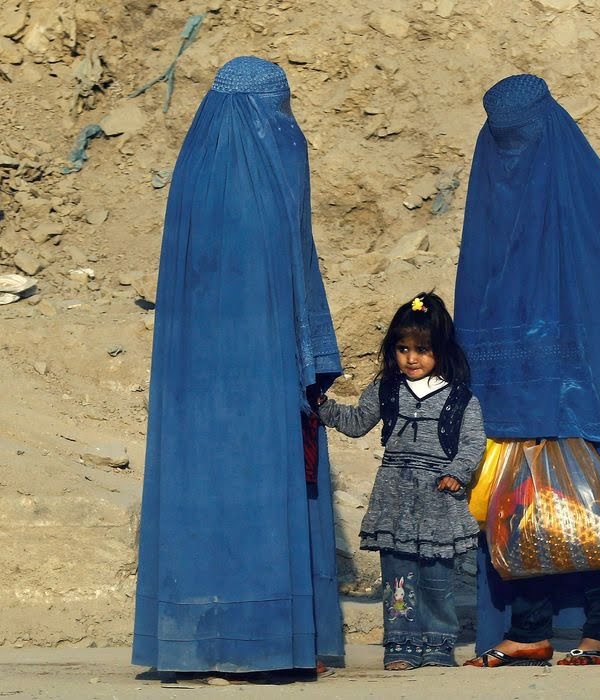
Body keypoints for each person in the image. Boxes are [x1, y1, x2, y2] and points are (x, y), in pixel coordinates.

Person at [132, 56, 345, 675]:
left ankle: (195, 641)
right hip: (264, 375)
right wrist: (313, 360)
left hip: (193, 387)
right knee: (263, 481)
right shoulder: (273, 173)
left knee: (204, 488)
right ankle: (270, 640)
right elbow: (297, 276)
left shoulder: (195, 171)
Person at [454, 73, 600, 668]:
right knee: (520, 503)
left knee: (590, 498)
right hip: (514, 375)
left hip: (584, 381)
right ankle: (528, 629)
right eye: (501, 138)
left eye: (519, 136)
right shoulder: (492, 182)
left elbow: (597, 293)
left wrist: (561, 365)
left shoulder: (586, 195)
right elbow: (480, 284)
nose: (510, 149)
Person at [316, 291, 485, 670]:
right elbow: (357, 422)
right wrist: (323, 408)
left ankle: (439, 644)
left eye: (422, 349)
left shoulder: (461, 399)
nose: (412, 358)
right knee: (398, 577)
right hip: (395, 496)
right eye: (403, 348)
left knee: (438, 578)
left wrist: (457, 474)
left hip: (438, 499)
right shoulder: (386, 389)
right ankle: (402, 644)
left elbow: (474, 443)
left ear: (441, 349)